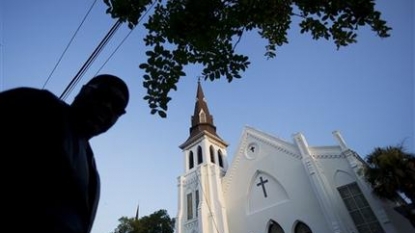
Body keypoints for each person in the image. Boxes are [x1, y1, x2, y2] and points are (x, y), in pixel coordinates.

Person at [0, 74, 129, 233]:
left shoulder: (93, 174)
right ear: (83, 91)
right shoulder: (41, 105)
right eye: (102, 95)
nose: (107, 106)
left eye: (117, 106)